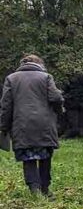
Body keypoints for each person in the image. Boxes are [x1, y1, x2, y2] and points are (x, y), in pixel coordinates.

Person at [0, 54, 64, 196]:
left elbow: (6, 106)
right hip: (44, 124)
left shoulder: (11, 79)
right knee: (45, 156)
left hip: (21, 125)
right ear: (40, 64)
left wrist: (4, 127)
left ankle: (34, 189)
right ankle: (45, 189)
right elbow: (56, 97)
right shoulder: (46, 77)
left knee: (28, 157)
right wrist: (58, 111)